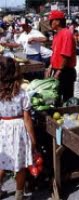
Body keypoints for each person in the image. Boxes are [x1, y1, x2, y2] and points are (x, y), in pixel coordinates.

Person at [0, 57, 36, 200]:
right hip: (19, 130)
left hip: (3, 128)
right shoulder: (22, 94)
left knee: (2, 162)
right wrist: (33, 139)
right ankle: (19, 194)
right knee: (20, 165)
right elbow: (27, 119)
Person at [45, 10, 77, 103]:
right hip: (57, 70)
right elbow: (55, 53)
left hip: (65, 71)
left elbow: (66, 55)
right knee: (56, 97)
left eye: (51, 21)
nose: (50, 23)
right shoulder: (56, 35)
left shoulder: (66, 33)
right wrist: (50, 67)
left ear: (58, 21)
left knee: (67, 99)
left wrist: (58, 72)